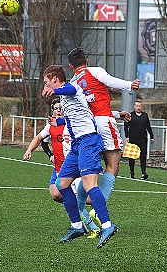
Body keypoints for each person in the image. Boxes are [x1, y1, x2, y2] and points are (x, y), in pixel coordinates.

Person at [42, 64, 118, 248]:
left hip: (89, 142)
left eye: (46, 82)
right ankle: (77, 226)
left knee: (88, 184)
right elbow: (75, 116)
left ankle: (107, 225)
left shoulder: (72, 87)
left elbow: (69, 88)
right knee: (62, 184)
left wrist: (55, 90)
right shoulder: (65, 98)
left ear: (54, 78)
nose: (45, 86)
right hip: (77, 145)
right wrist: (60, 120)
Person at [67, 47, 139, 200]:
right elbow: (110, 81)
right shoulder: (94, 71)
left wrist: (118, 114)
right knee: (112, 165)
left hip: (87, 127)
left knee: (89, 170)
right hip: (104, 122)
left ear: (71, 67)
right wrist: (129, 85)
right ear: (87, 61)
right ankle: (99, 205)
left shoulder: (72, 83)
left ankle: (82, 208)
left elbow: (88, 107)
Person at [22, 98, 101, 238]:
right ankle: (82, 220)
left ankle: (94, 219)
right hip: (59, 168)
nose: (58, 111)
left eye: (60, 108)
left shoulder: (72, 125)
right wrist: (29, 151)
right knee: (56, 194)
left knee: (85, 200)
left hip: (73, 168)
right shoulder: (50, 126)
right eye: (55, 108)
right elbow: (39, 139)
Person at [124, 100, 155, 179]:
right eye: (137, 106)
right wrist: (127, 136)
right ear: (134, 106)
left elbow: (148, 126)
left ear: (141, 107)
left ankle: (143, 173)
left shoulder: (145, 115)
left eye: (139, 106)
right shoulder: (130, 115)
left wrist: (152, 136)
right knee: (132, 157)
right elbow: (126, 126)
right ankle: (132, 173)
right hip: (133, 139)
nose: (138, 107)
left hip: (143, 139)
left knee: (143, 156)